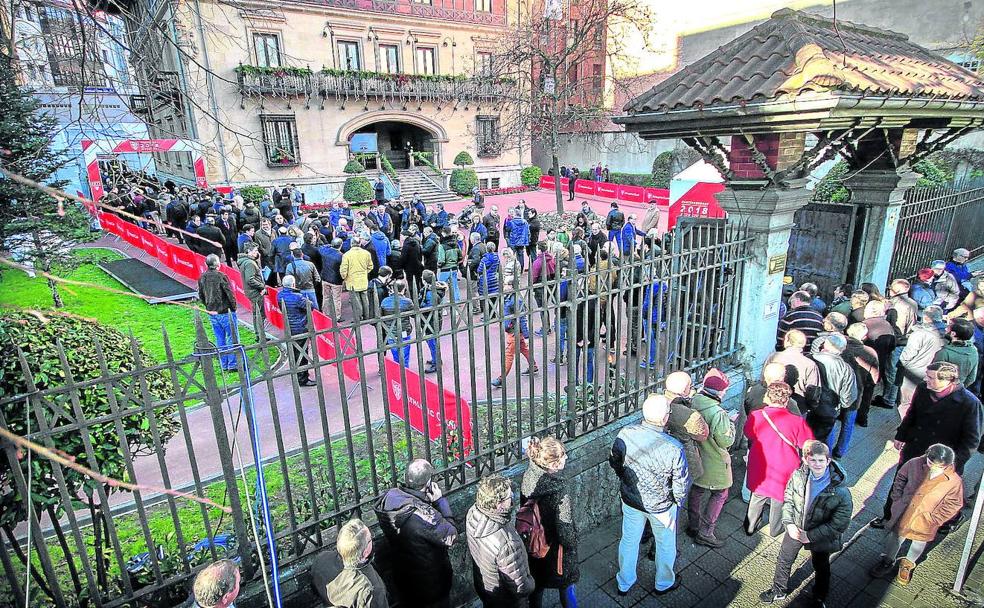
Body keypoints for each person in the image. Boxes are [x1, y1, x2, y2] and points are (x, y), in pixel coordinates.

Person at [872, 361, 982, 529]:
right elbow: (912, 413)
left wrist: (953, 464)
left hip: (943, 459)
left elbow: (971, 440)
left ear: (949, 380)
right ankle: (889, 517)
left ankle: (949, 519)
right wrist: (901, 435)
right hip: (915, 449)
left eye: (931, 377)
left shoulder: (969, 403)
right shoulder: (924, 388)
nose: (926, 379)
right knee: (900, 484)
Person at [610, 394, 689, 596]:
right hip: (661, 505)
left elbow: (615, 462)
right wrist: (677, 502)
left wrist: (625, 481)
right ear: (665, 418)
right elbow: (680, 482)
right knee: (665, 544)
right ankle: (663, 583)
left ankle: (624, 582)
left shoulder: (625, 433)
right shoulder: (674, 447)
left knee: (629, 539)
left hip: (631, 498)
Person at [759, 440, 852, 607]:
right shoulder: (797, 475)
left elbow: (840, 523)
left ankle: (819, 597)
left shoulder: (840, 491)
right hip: (796, 527)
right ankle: (778, 589)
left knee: (821, 566)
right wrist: (789, 524)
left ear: (828, 461)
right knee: (784, 559)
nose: (817, 464)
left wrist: (810, 536)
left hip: (819, 534)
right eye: (812, 460)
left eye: (821, 460)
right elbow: (788, 499)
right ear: (805, 460)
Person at [870, 444, 964, 586]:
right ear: (927, 455)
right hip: (904, 510)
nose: (934, 467)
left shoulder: (954, 481)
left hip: (926, 518)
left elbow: (953, 503)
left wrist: (936, 519)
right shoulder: (914, 463)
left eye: (939, 466)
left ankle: (908, 564)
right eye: (931, 463)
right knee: (895, 537)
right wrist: (897, 497)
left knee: (919, 542)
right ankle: (887, 560)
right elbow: (900, 477)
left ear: (948, 464)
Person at [374, 459, 457, 608]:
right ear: (428, 484)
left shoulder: (391, 498)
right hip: (431, 585)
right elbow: (451, 536)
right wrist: (440, 502)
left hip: (405, 577)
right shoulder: (426, 516)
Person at [744, 382, 814, 537]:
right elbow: (806, 443)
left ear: (768, 397)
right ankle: (775, 529)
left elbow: (749, 433)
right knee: (779, 498)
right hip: (785, 465)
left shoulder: (756, 416)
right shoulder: (796, 421)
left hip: (760, 461)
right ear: (787, 400)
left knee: (757, 494)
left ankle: (750, 526)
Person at [521, 437, 579, 608]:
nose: (566, 458)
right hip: (555, 549)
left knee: (537, 586)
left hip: (534, 544)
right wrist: (573, 544)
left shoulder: (529, 475)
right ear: (553, 465)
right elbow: (565, 530)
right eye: (563, 455)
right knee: (567, 587)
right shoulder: (559, 490)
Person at [466, 474, 534, 608]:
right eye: (510, 497)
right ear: (499, 504)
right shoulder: (506, 543)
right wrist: (531, 583)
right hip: (508, 600)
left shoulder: (473, 512)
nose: (513, 499)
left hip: (485, 587)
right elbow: (520, 587)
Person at [687, 369, 736, 548]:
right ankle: (706, 532)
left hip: (696, 458)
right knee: (720, 493)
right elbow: (725, 441)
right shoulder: (718, 413)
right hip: (714, 460)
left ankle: (693, 525)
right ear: (720, 391)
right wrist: (731, 423)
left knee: (697, 489)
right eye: (725, 390)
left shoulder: (692, 401)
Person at [310, 518, 389, 608]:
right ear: (366, 551)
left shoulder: (321, 559)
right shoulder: (373, 590)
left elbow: (316, 589)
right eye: (370, 538)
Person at [897, 306, 947, 416]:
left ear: (926, 318)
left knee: (907, 404)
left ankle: (907, 429)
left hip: (915, 374)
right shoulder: (948, 333)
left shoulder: (920, 334)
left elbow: (906, 356)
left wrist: (903, 365)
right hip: (939, 374)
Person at [197, 254, 238, 372]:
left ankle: (224, 364)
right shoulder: (221, 276)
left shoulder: (202, 277)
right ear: (216, 264)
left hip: (212, 312)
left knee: (220, 338)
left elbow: (201, 295)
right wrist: (233, 307)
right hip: (225, 311)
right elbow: (229, 293)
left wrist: (208, 306)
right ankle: (232, 364)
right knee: (231, 337)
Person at [277, 275, 317, 387]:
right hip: (300, 328)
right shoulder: (298, 297)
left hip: (289, 327)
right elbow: (311, 306)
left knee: (295, 353)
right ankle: (302, 378)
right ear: (293, 284)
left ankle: (298, 374)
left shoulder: (279, 295)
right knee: (302, 354)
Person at [492, 291, 537, 387]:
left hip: (514, 332)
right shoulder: (508, 297)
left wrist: (526, 335)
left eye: (506, 284)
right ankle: (533, 366)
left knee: (508, 355)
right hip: (513, 330)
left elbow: (522, 319)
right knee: (524, 349)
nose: (504, 286)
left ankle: (501, 379)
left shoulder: (516, 300)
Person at [765, 329, 820, 399]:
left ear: (787, 341)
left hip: (774, 400)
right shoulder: (810, 364)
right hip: (799, 404)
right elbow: (814, 392)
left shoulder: (773, 357)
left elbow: (764, 380)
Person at [934, 318, 980, 388]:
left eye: (948, 326)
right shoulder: (974, 351)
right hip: (958, 390)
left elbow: (933, 375)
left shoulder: (944, 353)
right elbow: (972, 378)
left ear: (953, 334)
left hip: (940, 390)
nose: (946, 328)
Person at [379, 279, 414, 365]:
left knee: (395, 356)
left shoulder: (385, 301)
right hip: (404, 331)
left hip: (390, 332)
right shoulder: (407, 302)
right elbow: (414, 314)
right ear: (403, 289)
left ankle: (398, 373)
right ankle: (405, 373)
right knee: (405, 356)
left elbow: (380, 317)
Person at [340, 237, 373, 322]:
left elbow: (344, 269)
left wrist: (344, 277)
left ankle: (358, 317)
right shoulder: (366, 253)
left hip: (352, 281)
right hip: (363, 279)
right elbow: (370, 266)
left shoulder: (347, 255)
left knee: (356, 301)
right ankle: (367, 316)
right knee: (365, 299)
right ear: (360, 243)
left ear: (351, 244)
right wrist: (365, 273)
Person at [419, 270, 446, 373]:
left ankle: (436, 362)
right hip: (433, 320)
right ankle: (436, 358)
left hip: (430, 321)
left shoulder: (431, 293)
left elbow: (428, 307)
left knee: (432, 342)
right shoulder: (432, 289)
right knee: (432, 341)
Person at [237, 242, 266, 329]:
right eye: (256, 250)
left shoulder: (245, 261)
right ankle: (260, 335)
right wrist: (262, 286)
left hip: (251, 291)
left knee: (256, 313)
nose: (257, 252)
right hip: (255, 292)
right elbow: (250, 279)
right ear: (249, 251)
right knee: (259, 314)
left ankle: (259, 334)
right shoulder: (249, 263)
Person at [319, 238, 345, 321]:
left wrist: (329, 245)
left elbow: (321, 247)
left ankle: (325, 314)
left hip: (325, 277)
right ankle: (337, 316)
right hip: (336, 280)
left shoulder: (325, 252)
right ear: (341, 245)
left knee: (325, 297)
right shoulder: (341, 256)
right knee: (336, 299)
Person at [437, 227, 463, 302]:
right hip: (454, 268)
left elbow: (441, 260)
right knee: (455, 286)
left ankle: (442, 303)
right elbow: (460, 256)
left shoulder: (442, 246)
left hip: (445, 269)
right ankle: (457, 301)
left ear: (444, 233)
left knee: (441, 287)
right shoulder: (456, 244)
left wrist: (439, 265)